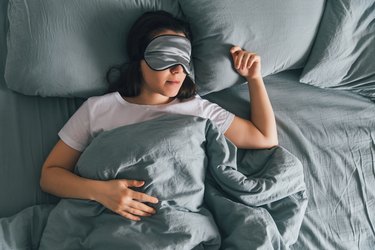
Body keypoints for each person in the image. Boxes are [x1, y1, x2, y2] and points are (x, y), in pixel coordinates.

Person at [40, 11, 278, 222]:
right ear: (139, 59)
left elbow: (264, 137)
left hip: (180, 220)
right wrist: (101, 192)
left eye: (183, 58)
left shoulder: (198, 110)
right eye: (166, 56)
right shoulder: (97, 110)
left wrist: (254, 79)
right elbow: (50, 175)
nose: (178, 69)